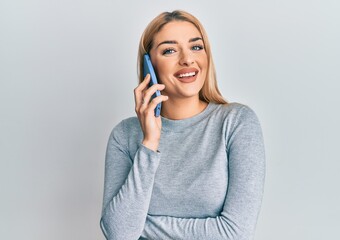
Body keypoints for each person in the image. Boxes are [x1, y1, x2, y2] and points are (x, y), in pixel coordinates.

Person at [100, 10, 265, 240]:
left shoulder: (236, 123)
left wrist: (145, 225)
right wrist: (149, 143)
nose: (187, 59)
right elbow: (118, 233)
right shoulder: (124, 136)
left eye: (196, 47)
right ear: (150, 66)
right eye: (169, 50)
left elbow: (235, 233)